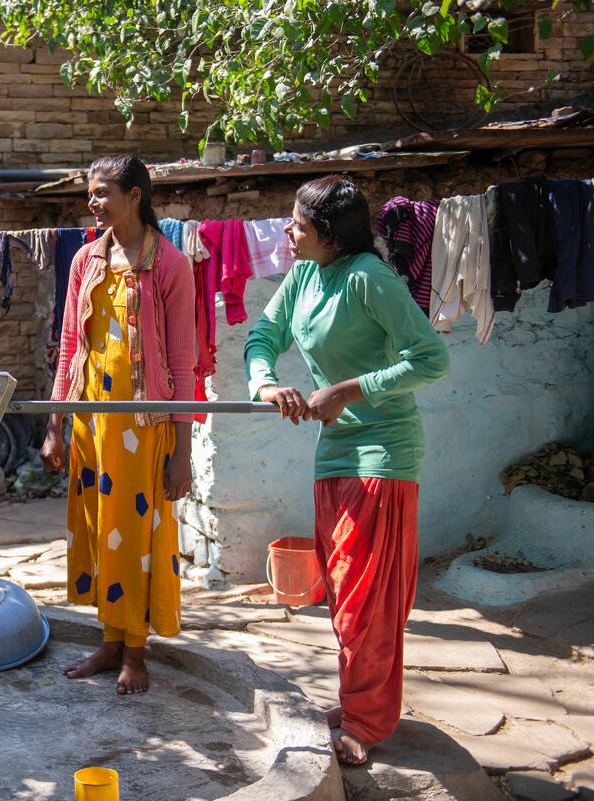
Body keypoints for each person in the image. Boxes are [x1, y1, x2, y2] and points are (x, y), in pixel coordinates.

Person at [243, 175, 449, 765]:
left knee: (369, 600)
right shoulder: (305, 273)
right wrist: (265, 383)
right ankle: (359, 698)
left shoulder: (369, 277)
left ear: (329, 234)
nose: (288, 231)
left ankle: (367, 720)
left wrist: (350, 390)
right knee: (340, 595)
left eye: (298, 224)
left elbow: (431, 358)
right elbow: (264, 334)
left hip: (384, 452)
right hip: (332, 452)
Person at [40, 154, 197, 695]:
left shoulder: (171, 265)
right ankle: (109, 642)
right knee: (101, 531)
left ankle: (135, 651)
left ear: (135, 195)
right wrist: (56, 423)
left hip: (144, 428)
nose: (94, 201)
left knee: (134, 536)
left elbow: (182, 361)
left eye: (104, 192)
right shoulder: (86, 260)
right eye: (91, 192)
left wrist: (183, 450)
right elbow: (68, 347)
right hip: (90, 425)